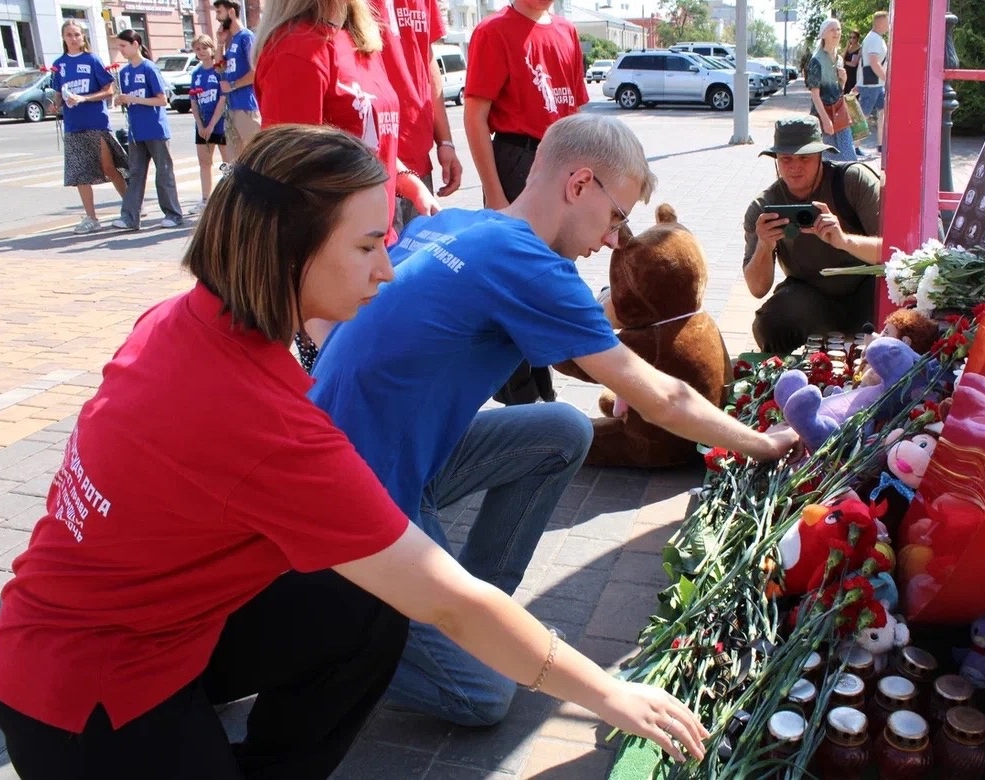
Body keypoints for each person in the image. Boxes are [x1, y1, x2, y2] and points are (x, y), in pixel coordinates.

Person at [0, 124, 709, 779]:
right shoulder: (262, 423)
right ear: (291, 246)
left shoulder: (194, 315)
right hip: (87, 694)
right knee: (413, 604)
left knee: (362, 608)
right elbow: (451, 604)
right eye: (367, 247)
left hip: (151, 625)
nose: (387, 270)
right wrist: (610, 692)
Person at [310, 114, 800, 728]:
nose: (616, 239)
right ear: (579, 184)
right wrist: (760, 443)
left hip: (392, 452)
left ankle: (475, 613)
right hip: (355, 497)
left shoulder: (465, 225)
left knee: (560, 431)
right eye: (617, 216)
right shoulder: (533, 268)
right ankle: (340, 640)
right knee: (484, 697)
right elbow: (661, 401)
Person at [464, 0, 589, 405]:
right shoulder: (494, 31)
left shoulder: (566, 32)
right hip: (517, 161)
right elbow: (475, 115)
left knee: (549, 281)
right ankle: (517, 396)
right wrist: (496, 194)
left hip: (565, 162)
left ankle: (542, 388)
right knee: (512, 280)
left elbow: (578, 110)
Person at [254, 0, 439, 247]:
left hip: (376, 242)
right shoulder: (297, 50)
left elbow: (368, 137)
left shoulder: (359, 38)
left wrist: (408, 183)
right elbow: (289, 178)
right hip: (334, 253)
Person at [743, 116, 883, 355]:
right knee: (770, 325)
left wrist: (844, 240)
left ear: (821, 156)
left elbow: (894, 253)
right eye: (786, 159)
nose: (795, 167)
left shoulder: (853, 182)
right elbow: (757, 288)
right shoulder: (764, 207)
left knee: (903, 310)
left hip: (866, 289)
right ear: (775, 160)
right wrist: (765, 247)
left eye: (805, 158)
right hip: (810, 296)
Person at [378, 0, 464, 232]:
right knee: (382, 264)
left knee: (415, 261)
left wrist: (445, 141)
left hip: (418, 159)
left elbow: (426, 58)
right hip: (375, 161)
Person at [49, 19, 128, 235]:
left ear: (83, 37)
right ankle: (91, 218)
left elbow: (109, 90)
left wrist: (84, 98)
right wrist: (56, 104)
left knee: (109, 168)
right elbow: (58, 92)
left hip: (96, 122)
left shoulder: (92, 60)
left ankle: (131, 206)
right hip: (73, 126)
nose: (73, 39)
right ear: (64, 38)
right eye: (69, 35)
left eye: (77, 34)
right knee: (80, 173)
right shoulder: (60, 64)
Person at [111, 29, 184, 231]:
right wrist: (121, 100)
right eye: (119, 46)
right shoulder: (125, 73)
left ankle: (173, 214)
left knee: (163, 173)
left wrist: (134, 99)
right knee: (135, 174)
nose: (121, 50)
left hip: (155, 129)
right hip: (136, 131)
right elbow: (129, 99)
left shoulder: (149, 68)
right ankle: (130, 217)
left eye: (124, 46)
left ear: (136, 44)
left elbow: (162, 99)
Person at [214, 0, 261, 159]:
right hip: (232, 107)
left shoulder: (246, 37)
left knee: (253, 156)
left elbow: (256, 71)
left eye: (219, 12)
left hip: (246, 106)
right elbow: (219, 68)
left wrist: (233, 85)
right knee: (235, 159)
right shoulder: (231, 40)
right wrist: (220, 44)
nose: (217, 18)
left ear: (231, 12)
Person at [187, 34, 228, 214]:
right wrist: (201, 125)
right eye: (197, 49)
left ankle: (229, 199)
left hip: (220, 123)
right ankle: (205, 199)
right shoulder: (196, 73)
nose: (201, 52)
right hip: (202, 124)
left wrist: (212, 125)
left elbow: (222, 98)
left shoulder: (219, 70)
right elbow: (194, 101)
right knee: (204, 162)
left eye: (204, 48)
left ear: (211, 49)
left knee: (228, 163)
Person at [806, 18, 856, 163]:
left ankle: (847, 184)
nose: (837, 33)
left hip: (839, 115)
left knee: (849, 159)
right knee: (828, 160)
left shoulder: (840, 59)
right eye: (832, 29)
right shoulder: (816, 60)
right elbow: (815, 95)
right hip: (824, 116)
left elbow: (839, 90)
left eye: (839, 29)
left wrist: (844, 80)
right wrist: (826, 120)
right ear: (823, 35)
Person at [857, 10, 889, 154]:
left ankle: (881, 145)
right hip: (873, 84)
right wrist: (887, 79)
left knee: (882, 112)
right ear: (881, 23)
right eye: (887, 22)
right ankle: (854, 146)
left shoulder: (874, 38)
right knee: (864, 115)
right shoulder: (875, 40)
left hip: (876, 84)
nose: (889, 25)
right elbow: (874, 63)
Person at [843, 29, 862, 94]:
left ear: (857, 38)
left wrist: (845, 62)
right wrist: (846, 47)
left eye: (854, 37)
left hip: (853, 75)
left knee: (852, 96)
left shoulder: (860, 48)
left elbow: (854, 64)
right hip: (845, 74)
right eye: (850, 37)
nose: (852, 39)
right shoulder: (849, 47)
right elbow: (842, 58)